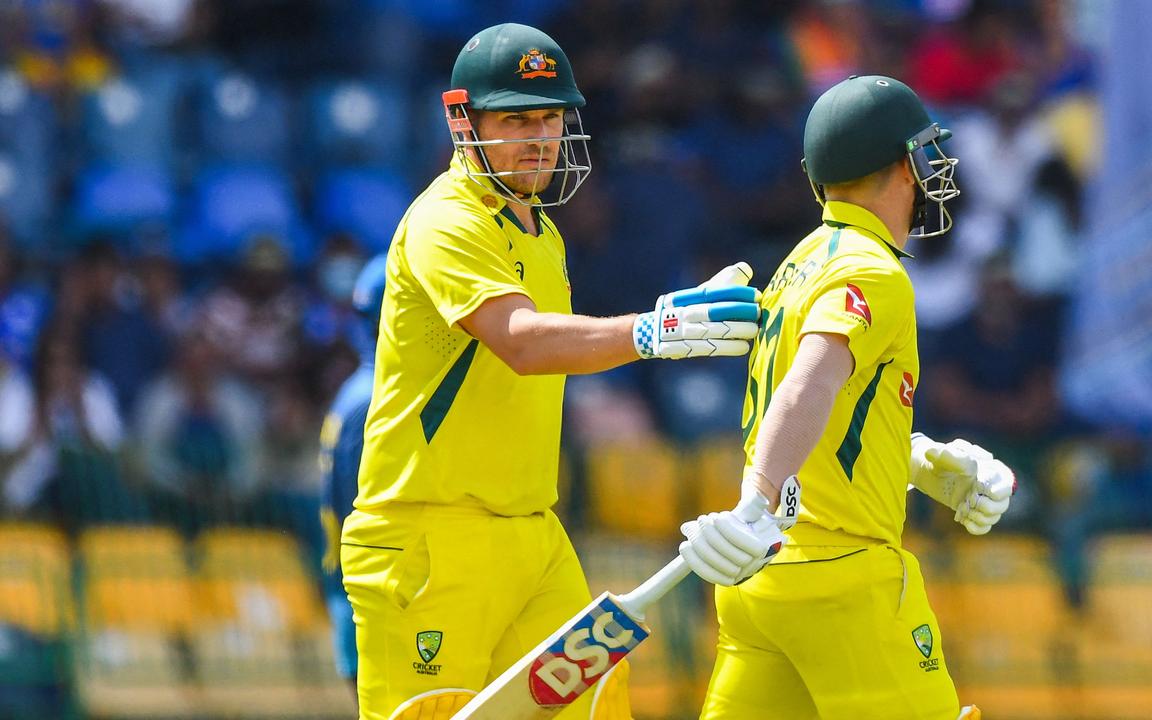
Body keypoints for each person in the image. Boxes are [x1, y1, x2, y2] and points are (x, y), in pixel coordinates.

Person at [339, 23, 760, 720]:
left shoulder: (543, 230)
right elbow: (523, 343)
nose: (539, 137)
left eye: (550, 117)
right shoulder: (446, 219)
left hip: (534, 536)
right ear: (460, 119)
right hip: (429, 541)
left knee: (597, 710)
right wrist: (655, 329)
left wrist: (659, 324)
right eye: (515, 118)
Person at [676, 75, 1017, 719]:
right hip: (842, 579)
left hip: (763, 583)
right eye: (925, 153)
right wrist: (758, 498)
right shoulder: (874, 269)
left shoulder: (802, 259)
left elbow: (830, 415)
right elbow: (812, 381)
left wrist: (912, 462)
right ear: (901, 164)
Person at [318, 254, 385, 697]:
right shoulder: (373, 401)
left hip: (355, 601)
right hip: (370, 609)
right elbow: (369, 523)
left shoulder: (362, 389)